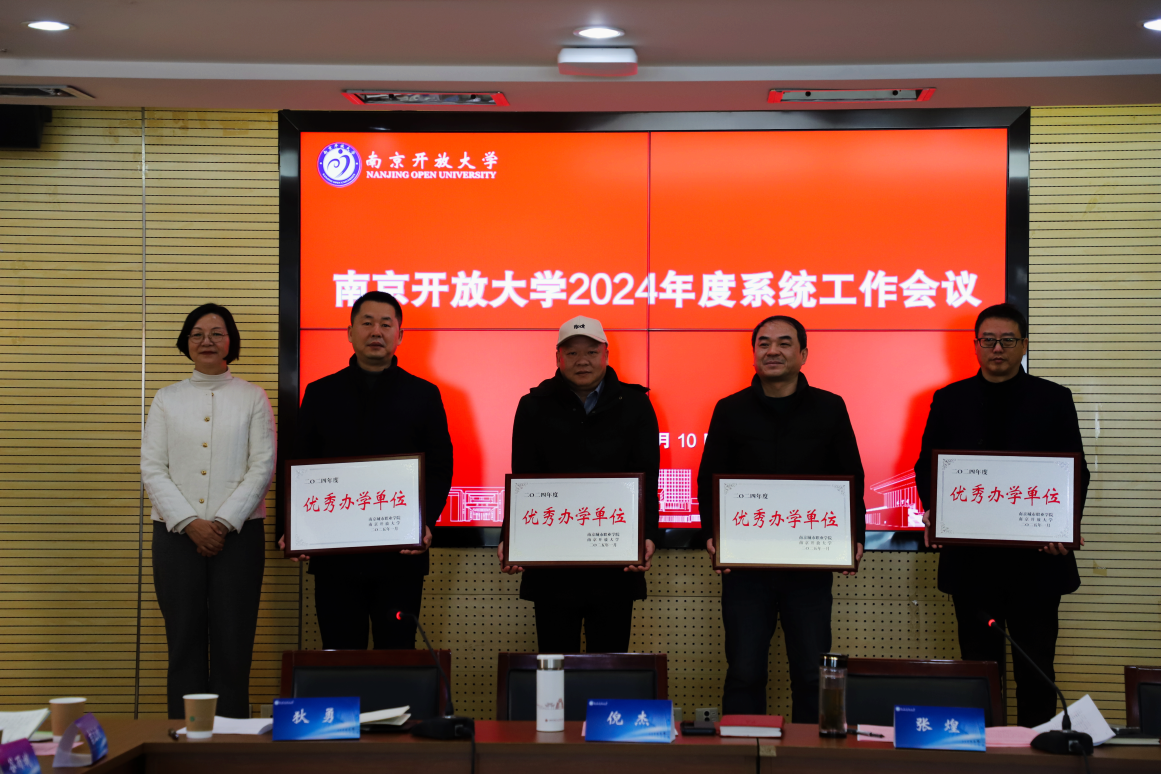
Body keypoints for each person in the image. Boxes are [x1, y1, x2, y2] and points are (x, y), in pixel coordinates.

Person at [914, 302, 1089, 727]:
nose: (997, 348)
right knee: (980, 672)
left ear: (1024, 345)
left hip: (1037, 563)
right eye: (988, 340)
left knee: (1036, 670)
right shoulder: (950, 399)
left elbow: (1075, 471)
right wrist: (936, 513)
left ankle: (1036, 752)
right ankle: (985, 753)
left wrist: (1063, 527)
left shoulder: (1054, 398)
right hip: (973, 564)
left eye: (1007, 340)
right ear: (975, 345)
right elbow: (927, 468)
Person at [698, 315, 865, 722]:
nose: (773, 351)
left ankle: (810, 754)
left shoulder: (830, 407)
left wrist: (854, 535)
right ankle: (742, 750)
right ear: (754, 353)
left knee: (810, 672)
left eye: (784, 343)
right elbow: (709, 477)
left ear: (803, 354)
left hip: (808, 565)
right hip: (745, 566)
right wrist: (712, 533)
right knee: (744, 671)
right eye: (764, 343)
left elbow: (851, 475)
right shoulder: (730, 409)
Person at [279, 291, 453, 650]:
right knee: (341, 656)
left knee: (397, 655)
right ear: (350, 332)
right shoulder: (321, 392)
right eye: (367, 323)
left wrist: (426, 522)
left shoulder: (424, 394)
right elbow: (300, 462)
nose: (376, 331)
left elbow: (440, 465)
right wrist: (293, 526)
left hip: (400, 556)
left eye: (386, 324)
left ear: (399, 335)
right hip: (336, 558)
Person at [142, 303, 276, 720]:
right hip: (175, 536)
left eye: (217, 333)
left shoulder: (253, 397)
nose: (207, 341)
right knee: (183, 640)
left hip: (240, 536)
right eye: (197, 333)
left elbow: (262, 465)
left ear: (230, 342)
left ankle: (231, 737)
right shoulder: (166, 399)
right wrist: (190, 523)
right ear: (186, 342)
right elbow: (152, 467)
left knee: (234, 641)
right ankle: (186, 737)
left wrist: (221, 523)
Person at [498, 316, 660, 653]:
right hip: (553, 567)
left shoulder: (635, 404)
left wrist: (646, 535)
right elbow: (524, 478)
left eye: (591, 352)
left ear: (606, 354)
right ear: (558, 357)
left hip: (615, 561)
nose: (582, 360)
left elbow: (647, 476)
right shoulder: (533, 406)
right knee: (555, 665)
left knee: (610, 664)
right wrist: (511, 538)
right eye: (572, 353)